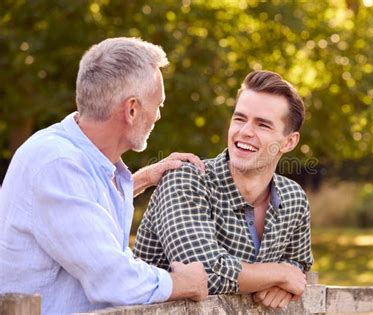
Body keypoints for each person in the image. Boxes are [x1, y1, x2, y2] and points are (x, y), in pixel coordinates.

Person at [0, 37, 208, 315]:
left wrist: (143, 179)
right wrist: (184, 282)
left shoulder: (75, 158)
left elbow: (82, 206)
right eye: (158, 104)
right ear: (132, 109)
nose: (158, 115)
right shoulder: (56, 163)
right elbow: (114, 280)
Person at [134, 70, 314, 309]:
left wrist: (286, 281)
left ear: (289, 142)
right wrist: (280, 273)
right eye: (240, 119)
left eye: (263, 125)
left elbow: (299, 264)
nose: (245, 131)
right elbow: (204, 275)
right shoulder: (187, 180)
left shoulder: (293, 199)